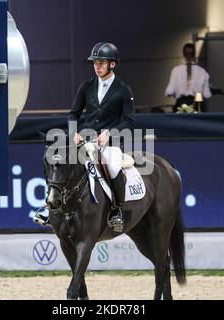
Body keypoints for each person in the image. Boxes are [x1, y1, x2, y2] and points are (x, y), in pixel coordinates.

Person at [35, 42, 135, 232]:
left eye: (101, 62)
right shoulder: (86, 86)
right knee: (58, 162)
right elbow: (73, 114)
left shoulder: (123, 90)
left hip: (108, 143)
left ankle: (117, 211)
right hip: (84, 141)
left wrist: (109, 133)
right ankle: (51, 208)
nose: (97, 66)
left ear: (112, 64)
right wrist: (74, 132)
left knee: (112, 166)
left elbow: (129, 121)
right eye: (95, 62)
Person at [165, 43, 212, 112]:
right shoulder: (202, 72)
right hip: (197, 105)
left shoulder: (176, 70)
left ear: (183, 54)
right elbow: (207, 95)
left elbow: (169, 91)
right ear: (194, 54)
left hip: (181, 105)